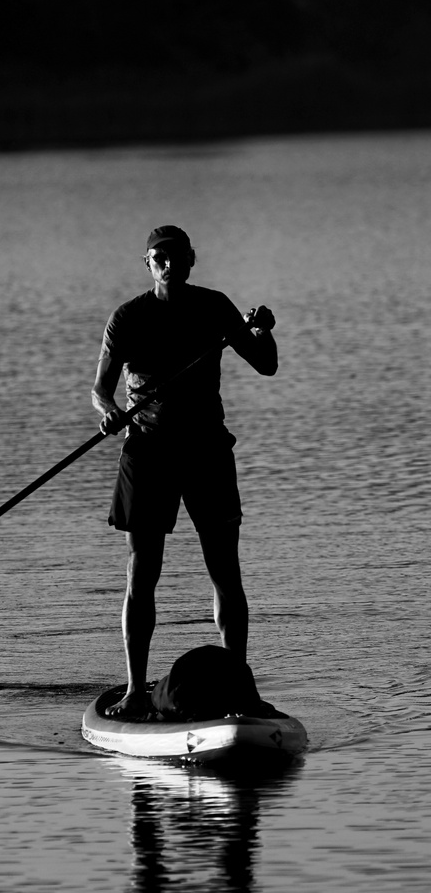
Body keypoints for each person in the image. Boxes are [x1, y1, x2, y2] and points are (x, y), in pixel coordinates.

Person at [91, 225, 278, 719]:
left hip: (207, 451)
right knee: (142, 573)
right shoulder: (128, 317)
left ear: (192, 260)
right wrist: (107, 411)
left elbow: (266, 365)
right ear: (147, 263)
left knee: (225, 573)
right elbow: (100, 390)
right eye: (159, 257)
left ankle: (238, 686)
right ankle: (134, 690)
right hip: (147, 452)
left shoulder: (215, 307)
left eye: (178, 256)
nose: (169, 263)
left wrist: (260, 331)